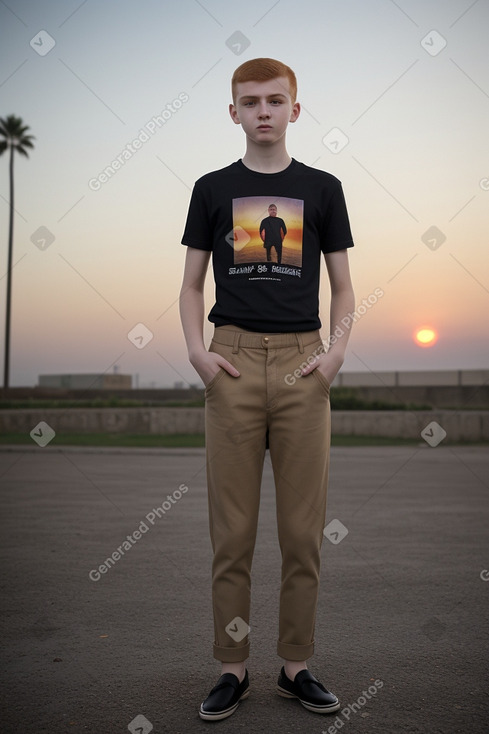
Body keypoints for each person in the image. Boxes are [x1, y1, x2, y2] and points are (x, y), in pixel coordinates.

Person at [179, 57, 355, 721]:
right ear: (232, 112)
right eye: (248, 101)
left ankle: (295, 664)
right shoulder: (210, 188)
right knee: (233, 534)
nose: (262, 111)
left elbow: (342, 286)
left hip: (302, 366)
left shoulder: (323, 188)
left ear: (293, 110)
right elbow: (192, 284)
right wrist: (198, 353)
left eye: (274, 101)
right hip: (230, 362)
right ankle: (232, 668)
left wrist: (334, 356)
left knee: (301, 532)